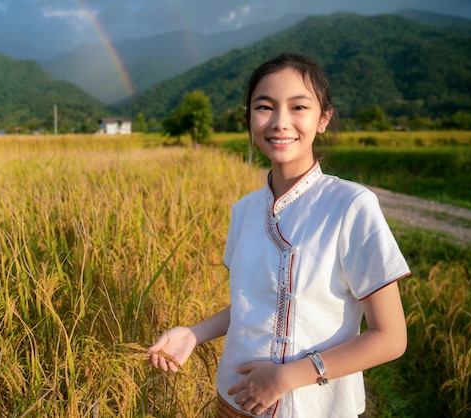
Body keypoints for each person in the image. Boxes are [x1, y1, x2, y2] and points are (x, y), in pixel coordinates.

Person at [148, 52, 410, 417]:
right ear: (249, 118)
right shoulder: (243, 211)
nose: (280, 122)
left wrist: (286, 378)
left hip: (313, 407)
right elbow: (252, 304)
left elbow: (391, 338)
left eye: (298, 107)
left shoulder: (351, 205)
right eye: (265, 107)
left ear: (323, 119)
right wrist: (194, 333)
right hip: (235, 399)